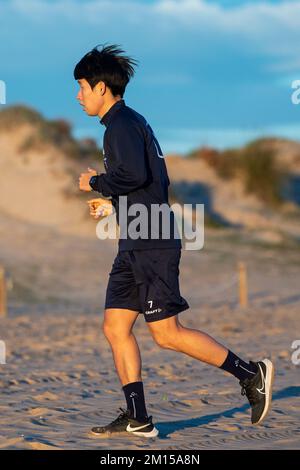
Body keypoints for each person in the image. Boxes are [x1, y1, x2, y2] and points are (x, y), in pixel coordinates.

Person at [75, 44, 274, 439]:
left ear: (101, 88)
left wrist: (95, 181)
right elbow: (147, 183)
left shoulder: (121, 124)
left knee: (167, 334)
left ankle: (251, 374)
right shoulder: (127, 124)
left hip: (152, 244)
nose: (78, 95)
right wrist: (110, 202)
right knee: (115, 327)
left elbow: (132, 174)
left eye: (81, 86)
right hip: (135, 241)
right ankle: (139, 417)